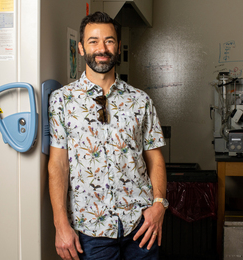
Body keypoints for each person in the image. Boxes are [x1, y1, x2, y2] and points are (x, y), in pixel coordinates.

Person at [48, 11, 168, 260]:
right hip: (90, 230)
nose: (101, 48)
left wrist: (159, 206)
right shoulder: (62, 100)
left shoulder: (140, 100)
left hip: (140, 226)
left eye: (109, 41)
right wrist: (61, 225)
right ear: (81, 48)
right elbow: (57, 165)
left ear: (118, 46)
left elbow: (155, 159)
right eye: (93, 41)